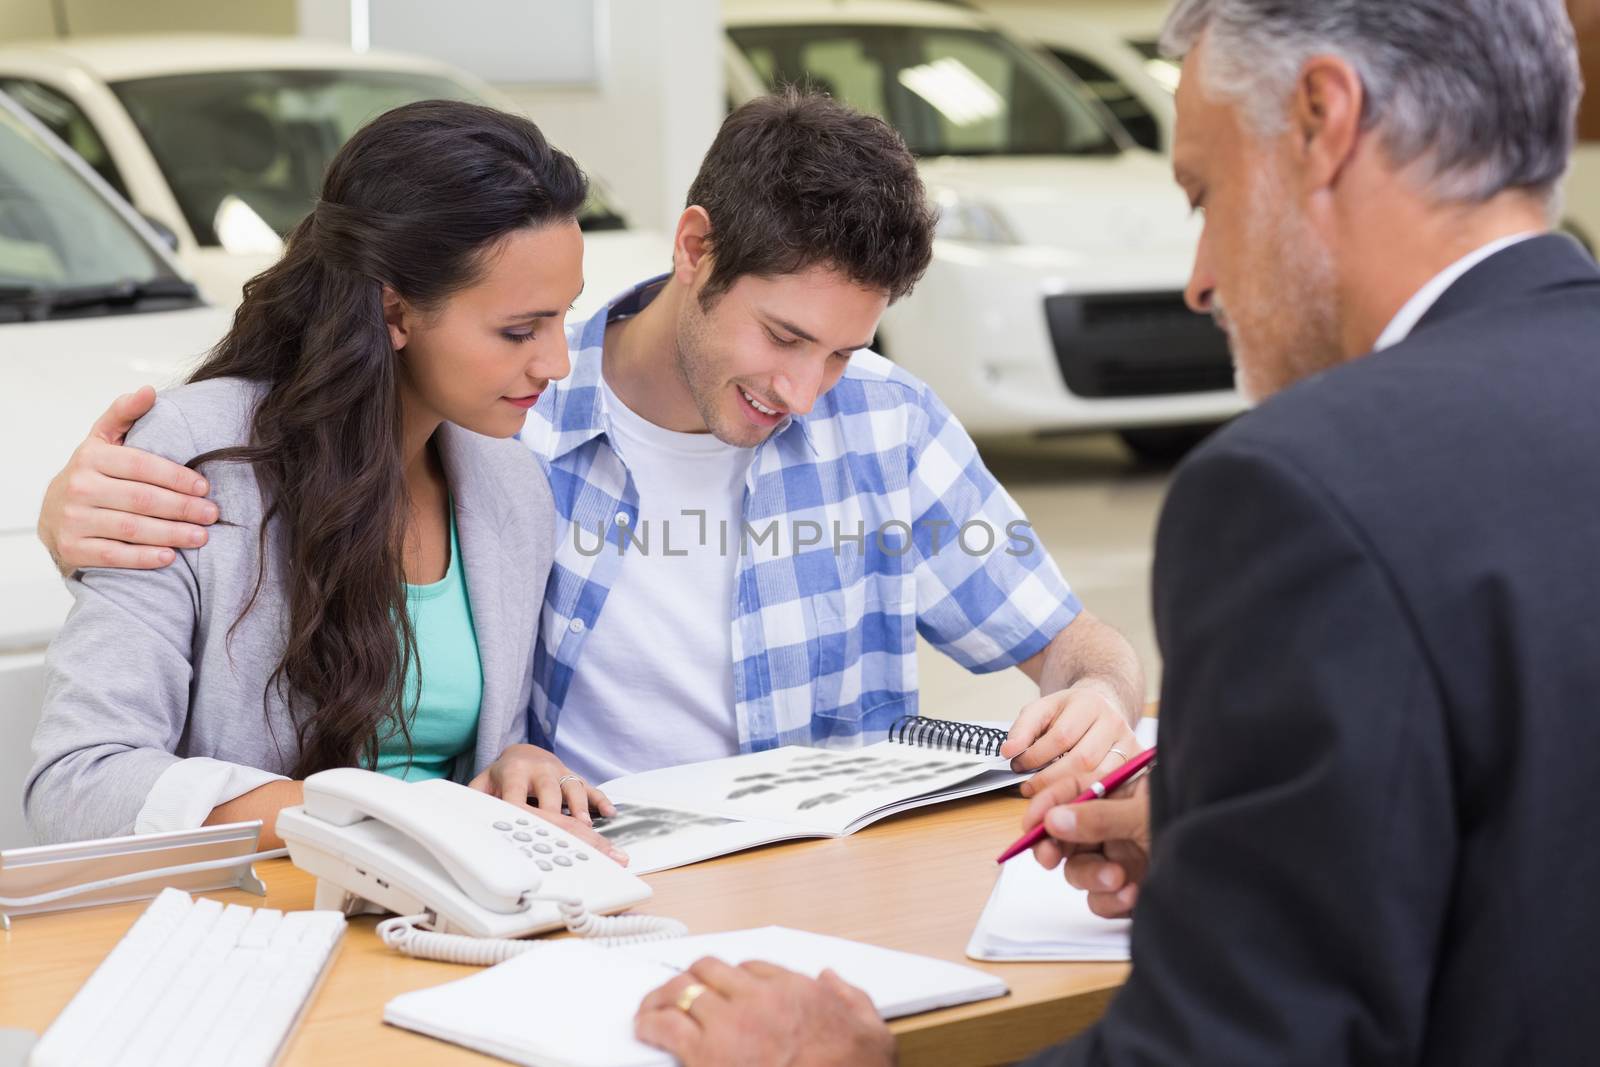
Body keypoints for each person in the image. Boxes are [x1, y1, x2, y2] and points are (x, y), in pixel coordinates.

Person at [628, 0, 1600, 1063]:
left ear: (1322, 117)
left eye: (1204, 193)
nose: (1198, 278)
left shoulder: (1305, 489)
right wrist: (1215, 828)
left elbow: (1232, 1046)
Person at [35, 91, 1147, 800]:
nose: (806, 392)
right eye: (784, 336)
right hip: (543, 895)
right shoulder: (521, 419)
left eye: (843, 353)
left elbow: (1073, 644)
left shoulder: (882, 424)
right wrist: (72, 528)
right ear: (695, 248)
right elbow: (107, 737)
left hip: (787, 881)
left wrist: (1102, 692)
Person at [25, 100, 620, 857]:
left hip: (449, 912)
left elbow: (466, 761)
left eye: (561, 320)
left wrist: (515, 765)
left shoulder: (509, 483)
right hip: (260, 922)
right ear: (394, 310)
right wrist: (392, 823)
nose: (554, 363)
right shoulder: (193, 457)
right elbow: (80, 782)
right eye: (518, 330)